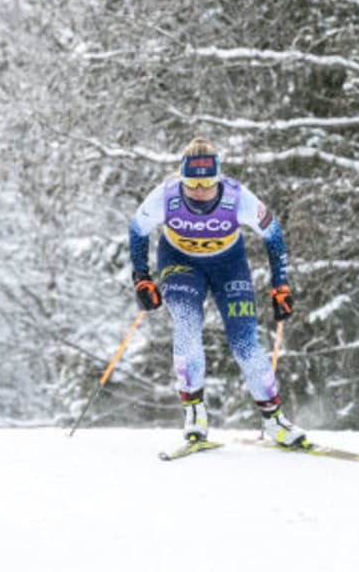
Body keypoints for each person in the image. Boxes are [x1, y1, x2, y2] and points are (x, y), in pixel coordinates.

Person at [127, 137, 303, 448]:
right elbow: (137, 229)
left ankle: (274, 418)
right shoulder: (165, 196)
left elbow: (273, 233)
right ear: (181, 178)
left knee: (244, 340)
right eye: (191, 183)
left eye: (207, 183)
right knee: (186, 323)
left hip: (228, 267)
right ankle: (194, 412)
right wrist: (141, 278)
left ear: (219, 178)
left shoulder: (238, 197)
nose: (198, 191)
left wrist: (280, 286)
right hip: (180, 264)